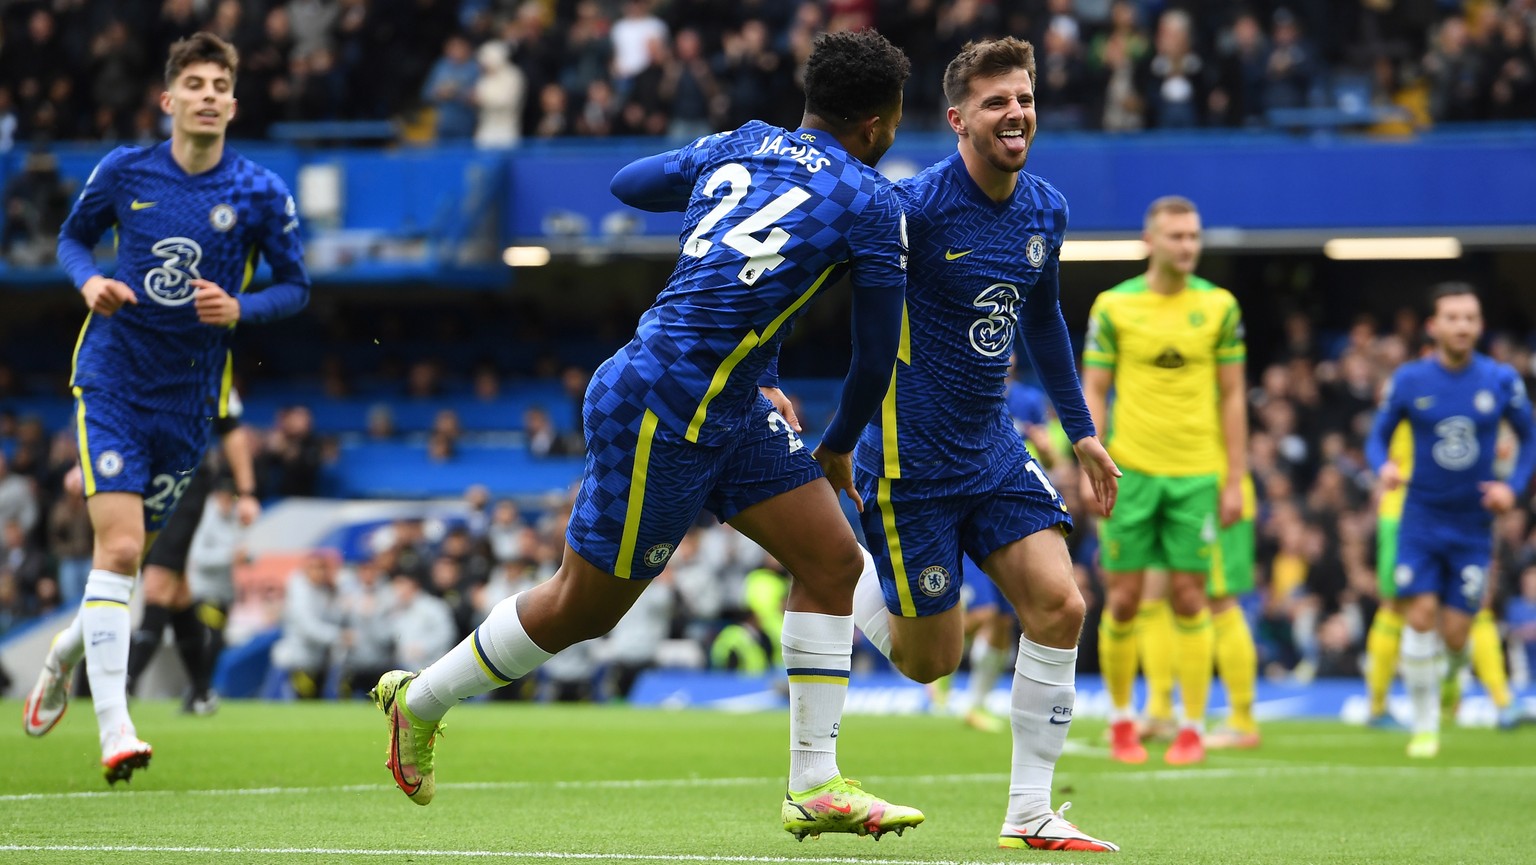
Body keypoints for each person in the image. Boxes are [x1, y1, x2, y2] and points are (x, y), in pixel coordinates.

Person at [369, 30, 924, 842]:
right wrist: (839, 443)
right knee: (583, 609)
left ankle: (815, 783)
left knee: (833, 562)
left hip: (725, 400)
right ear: (879, 126)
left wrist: (711, 185)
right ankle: (421, 699)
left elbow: (630, 182)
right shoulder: (873, 200)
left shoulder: (744, 143)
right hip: (664, 408)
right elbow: (873, 354)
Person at [846, 37, 1122, 853]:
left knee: (1062, 605)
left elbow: (1042, 320)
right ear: (959, 118)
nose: (1017, 113)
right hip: (909, 460)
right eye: (999, 101)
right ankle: (848, 572)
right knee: (929, 660)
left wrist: (1082, 432)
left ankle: (1030, 811)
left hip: (990, 445)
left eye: (1026, 98)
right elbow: (839, 298)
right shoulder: (914, 210)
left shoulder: (1045, 207)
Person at [21, 32, 310, 785]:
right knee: (118, 553)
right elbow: (73, 239)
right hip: (113, 374)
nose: (209, 94)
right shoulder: (125, 171)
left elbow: (297, 287)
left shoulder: (259, 192)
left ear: (234, 104)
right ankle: (116, 728)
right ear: (169, 99)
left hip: (189, 403)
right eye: (197, 83)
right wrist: (88, 282)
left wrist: (240, 307)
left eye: (221, 84)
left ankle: (60, 655)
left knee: (124, 565)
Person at [1082, 195, 1250, 766]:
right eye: (1177, 236)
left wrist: (1235, 479)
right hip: (1131, 474)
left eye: (1194, 236)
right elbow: (1095, 390)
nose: (1188, 246)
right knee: (1124, 600)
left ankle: (1192, 727)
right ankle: (1123, 721)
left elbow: (1233, 397)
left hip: (1198, 475)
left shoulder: (1222, 307)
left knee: (1189, 597)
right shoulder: (1113, 306)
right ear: (1150, 242)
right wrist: (1092, 459)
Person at [1365, 283, 1535, 757]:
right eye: (1453, 317)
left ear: (1480, 326)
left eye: (1471, 318)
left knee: (1459, 632)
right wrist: (1384, 466)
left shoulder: (1500, 380)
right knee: (1418, 618)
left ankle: (1451, 679)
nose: (1463, 326)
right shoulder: (1409, 380)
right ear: (1433, 326)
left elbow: (1530, 437)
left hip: (1472, 525)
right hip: (1419, 518)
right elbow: (1378, 437)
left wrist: (1512, 488)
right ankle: (1424, 727)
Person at [125, 388, 259, 715]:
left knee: (157, 585)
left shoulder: (213, 364)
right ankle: (202, 692)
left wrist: (246, 491)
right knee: (178, 593)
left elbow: (232, 429)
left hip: (184, 482)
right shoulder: (147, 358)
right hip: (142, 478)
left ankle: (122, 685)